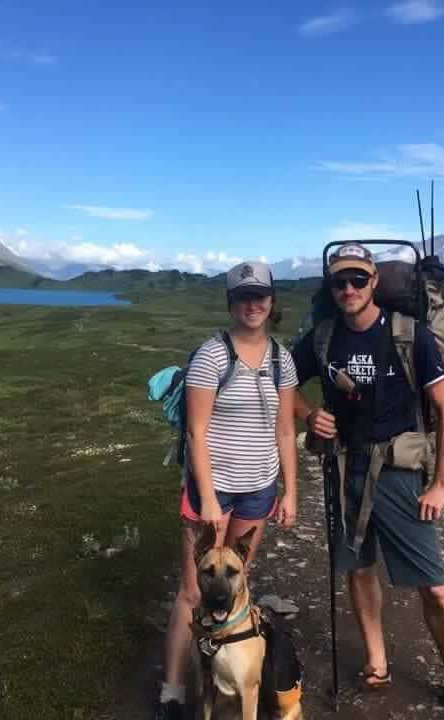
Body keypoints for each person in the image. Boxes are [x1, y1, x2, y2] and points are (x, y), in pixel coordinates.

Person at [289, 243, 444, 718]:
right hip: (344, 468)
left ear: (374, 282)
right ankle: (377, 663)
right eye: (339, 282)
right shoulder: (324, 337)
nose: (348, 289)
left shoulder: (409, 335)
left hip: (398, 473)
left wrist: (441, 483)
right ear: (331, 290)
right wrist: (310, 416)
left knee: (433, 584)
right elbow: (283, 383)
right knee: (357, 567)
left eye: (357, 280)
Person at [155, 260, 300, 720]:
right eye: (243, 296)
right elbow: (197, 432)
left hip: (259, 490)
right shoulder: (211, 356)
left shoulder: (282, 357)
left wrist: (290, 490)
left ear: (272, 302)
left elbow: (283, 432)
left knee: (234, 583)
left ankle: (226, 667)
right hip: (211, 493)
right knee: (195, 592)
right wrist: (210, 498)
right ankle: (173, 693)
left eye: (260, 295)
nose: (252, 304)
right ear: (231, 303)